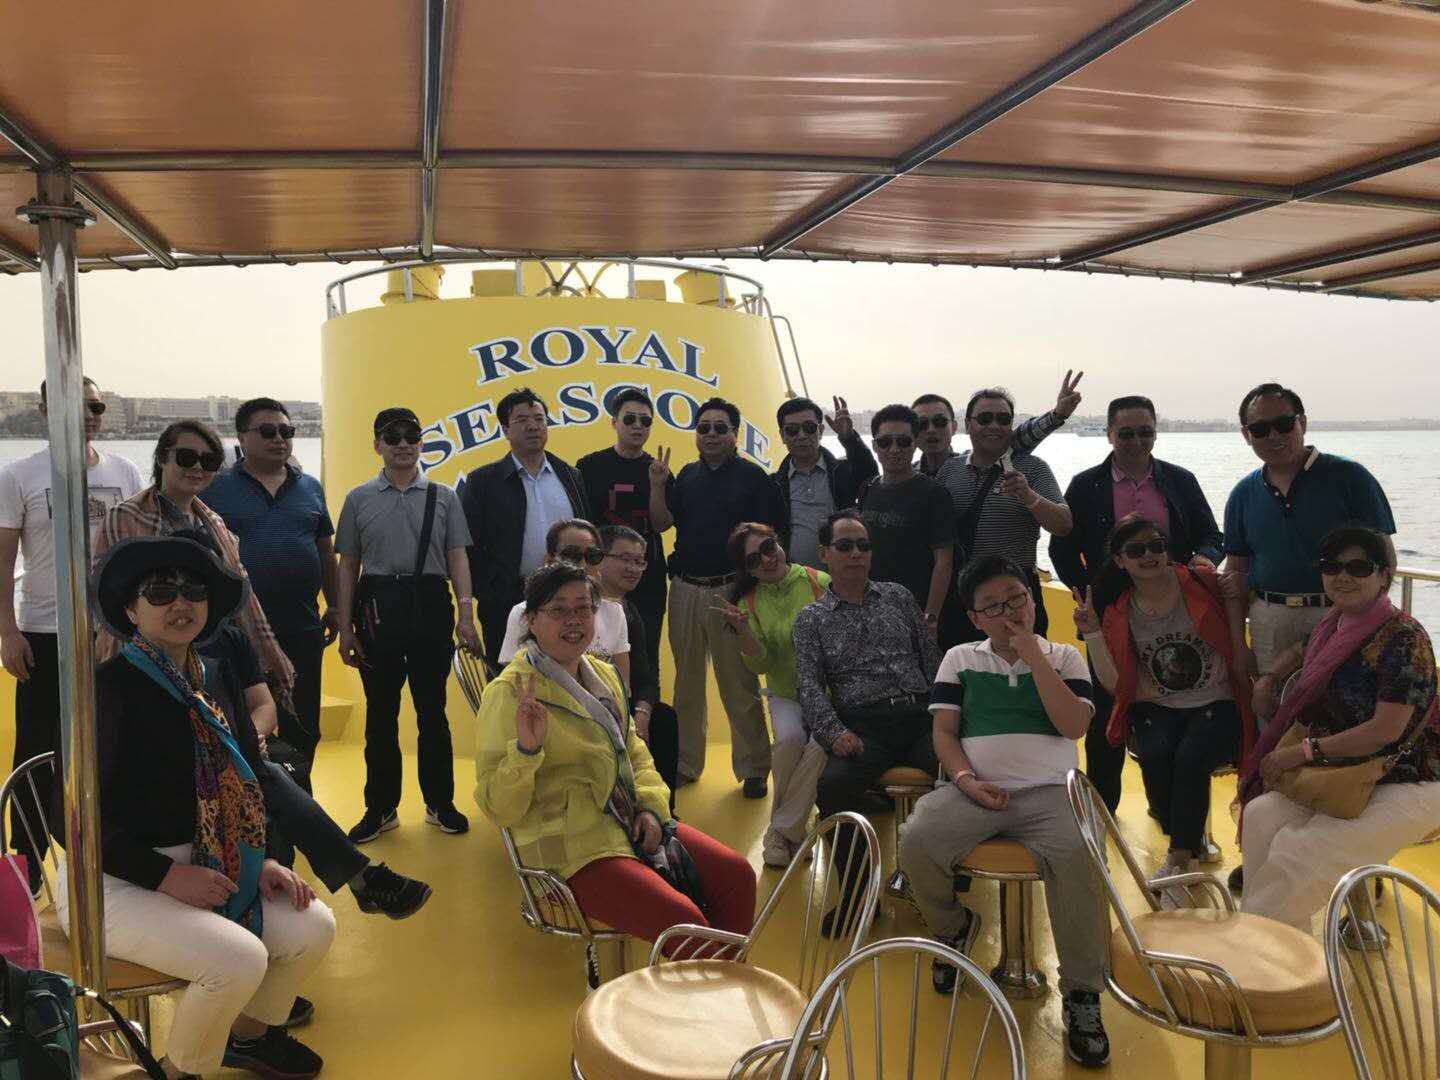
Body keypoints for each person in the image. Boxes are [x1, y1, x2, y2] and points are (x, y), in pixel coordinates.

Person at [72, 535, 334, 1079]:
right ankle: (177, 1071)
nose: (180, 603)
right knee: (237, 959)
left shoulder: (213, 679)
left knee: (313, 926)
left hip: (213, 865)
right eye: (160, 592)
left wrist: (260, 858)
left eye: (194, 590)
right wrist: (166, 875)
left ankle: (247, 1037)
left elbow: (244, 783)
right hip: (113, 880)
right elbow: (70, 819)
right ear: (130, 610)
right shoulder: (105, 690)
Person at [474, 562, 756, 956]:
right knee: (683, 923)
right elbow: (497, 806)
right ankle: (716, 986)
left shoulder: (604, 676)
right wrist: (526, 752)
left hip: (626, 822)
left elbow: (635, 752)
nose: (574, 620)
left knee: (737, 876)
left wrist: (652, 809)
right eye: (558, 610)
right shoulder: (509, 694)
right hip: (569, 851)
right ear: (531, 620)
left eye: (583, 608)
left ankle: (716, 982)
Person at [899, 554, 1110, 1068]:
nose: (1009, 612)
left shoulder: (1065, 657)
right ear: (975, 618)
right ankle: (953, 927)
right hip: (976, 790)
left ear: (1032, 600)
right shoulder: (959, 659)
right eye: (992, 606)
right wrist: (965, 780)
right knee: (916, 838)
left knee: (1084, 855)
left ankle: (1082, 991)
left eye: (1016, 598)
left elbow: (1074, 727)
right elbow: (944, 733)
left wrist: (1035, 658)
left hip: (1052, 792)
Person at [1235, 526, 1440, 932]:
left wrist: (1300, 752)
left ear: (1384, 575)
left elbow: (1385, 730)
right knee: (1259, 816)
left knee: (1296, 855)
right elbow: (1302, 649)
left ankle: (1263, 949)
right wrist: (1269, 679)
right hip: (1348, 770)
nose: (1343, 576)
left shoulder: (1403, 637)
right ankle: (1285, 950)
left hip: (1409, 776)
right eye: (1332, 566)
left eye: (1359, 567)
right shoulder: (1333, 626)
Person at [0, 377, 143, 885]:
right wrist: (8, 632)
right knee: (39, 749)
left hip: (115, 633)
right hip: (45, 631)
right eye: (75, 405)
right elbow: (4, 561)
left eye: (96, 407)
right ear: (45, 410)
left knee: (118, 744)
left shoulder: (124, 472)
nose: (88, 415)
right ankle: (27, 865)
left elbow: (136, 552)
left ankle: (118, 859)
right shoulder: (19, 475)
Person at [1050, 395, 1223, 813]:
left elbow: (1211, 536)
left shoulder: (1180, 481)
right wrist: (1087, 593)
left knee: (1168, 709)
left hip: (1175, 614)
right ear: (1109, 435)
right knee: (1107, 712)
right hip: (1109, 615)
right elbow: (1061, 548)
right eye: (1125, 433)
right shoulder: (1085, 486)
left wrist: (1203, 560)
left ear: (1155, 433)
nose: (1135, 441)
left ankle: (1167, 807)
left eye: (1145, 432)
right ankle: (1102, 810)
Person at [1072, 515, 1256, 896]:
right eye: (1136, 550)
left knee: (1190, 756)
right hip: (1156, 705)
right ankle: (1184, 843)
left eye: (1156, 546)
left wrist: (1239, 616)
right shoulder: (1120, 609)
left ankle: (1180, 858)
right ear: (1120, 560)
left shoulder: (1201, 583)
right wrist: (1091, 631)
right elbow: (1114, 683)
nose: (1149, 555)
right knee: (1155, 756)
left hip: (1215, 700)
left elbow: (1238, 603)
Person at [335, 407, 479, 843]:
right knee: (380, 715)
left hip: (430, 605)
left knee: (432, 711)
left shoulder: (444, 496)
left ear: (420, 442)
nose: (402, 444)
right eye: (392, 436)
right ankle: (380, 808)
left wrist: (466, 613)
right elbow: (348, 565)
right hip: (377, 609)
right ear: (377, 444)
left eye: (410, 436)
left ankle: (440, 803)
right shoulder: (358, 499)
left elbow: (457, 556)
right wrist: (346, 627)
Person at [792, 511, 940, 929]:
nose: (856, 553)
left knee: (960, 773)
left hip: (918, 716)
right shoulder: (811, 620)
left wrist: (948, 716)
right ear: (824, 553)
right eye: (845, 546)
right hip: (863, 727)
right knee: (833, 787)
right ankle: (859, 898)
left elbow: (931, 661)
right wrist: (834, 733)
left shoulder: (899, 597)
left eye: (863, 545)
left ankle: (943, 885)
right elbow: (809, 687)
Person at [91, 420, 296, 696]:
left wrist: (270, 655)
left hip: (209, 657)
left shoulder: (215, 524)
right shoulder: (126, 517)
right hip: (146, 660)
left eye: (209, 461)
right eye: (186, 457)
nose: (198, 467)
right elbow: (107, 596)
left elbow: (242, 595)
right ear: (162, 458)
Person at [649, 396, 784, 792]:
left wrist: (755, 590)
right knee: (687, 685)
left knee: (739, 683)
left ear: (734, 434)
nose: (710, 434)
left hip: (731, 589)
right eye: (704, 427)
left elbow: (770, 538)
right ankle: (685, 763)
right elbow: (661, 523)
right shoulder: (686, 476)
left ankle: (754, 768)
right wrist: (657, 485)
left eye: (720, 428)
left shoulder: (754, 478)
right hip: (685, 588)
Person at [204, 397, 341, 784]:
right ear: (242, 438)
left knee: (304, 726)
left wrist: (334, 606)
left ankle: (300, 803)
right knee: (243, 726)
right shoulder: (216, 489)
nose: (279, 439)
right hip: (237, 632)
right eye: (267, 431)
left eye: (286, 431)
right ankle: (254, 809)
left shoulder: (310, 487)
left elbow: (325, 551)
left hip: (302, 628)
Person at [1223, 382, 1395, 684]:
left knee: (1344, 702)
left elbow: (1385, 559)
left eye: (1284, 424)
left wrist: (1364, 619)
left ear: (1302, 422)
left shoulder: (1351, 478)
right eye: (1260, 429)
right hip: (1269, 621)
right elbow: (1234, 575)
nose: (1273, 435)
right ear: (1246, 435)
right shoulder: (1242, 494)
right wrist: (1238, 646)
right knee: (1271, 702)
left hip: (1341, 616)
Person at [713, 523, 829, 868]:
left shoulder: (818, 582)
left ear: (778, 543)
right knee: (790, 741)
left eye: (767, 547)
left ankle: (780, 832)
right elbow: (760, 663)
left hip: (830, 694)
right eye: (753, 559)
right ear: (746, 570)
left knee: (821, 743)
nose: (766, 559)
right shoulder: (749, 601)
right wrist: (744, 631)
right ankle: (793, 830)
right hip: (785, 692)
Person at [461, 387, 591, 668]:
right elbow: (468, 547)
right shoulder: (483, 481)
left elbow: (588, 535)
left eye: (539, 419)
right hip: (507, 603)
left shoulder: (570, 475)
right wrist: (490, 593)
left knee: (569, 678)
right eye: (521, 420)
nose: (533, 426)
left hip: (567, 599)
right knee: (510, 681)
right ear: (505, 430)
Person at [936, 387, 1072, 646]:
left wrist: (1029, 496)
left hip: (1016, 595)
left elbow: (1064, 525)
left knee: (1028, 664)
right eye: (985, 419)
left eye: (1003, 419)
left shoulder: (1033, 468)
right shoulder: (949, 471)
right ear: (968, 425)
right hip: (964, 596)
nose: (994, 426)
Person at [577, 388, 670, 680]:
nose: (638, 426)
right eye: (630, 419)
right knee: (595, 654)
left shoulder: (659, 469)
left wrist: (657, 485)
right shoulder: (589, 467)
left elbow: (662, 524)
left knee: (646, 656)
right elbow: (582, 525)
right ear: (614, 422)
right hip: (600, 579)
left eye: (645, 421)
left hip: (646, 576)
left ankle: (643, 708)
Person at [597, 525, 681, 803]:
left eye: (639, 562)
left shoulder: (633, 611)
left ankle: (661, 812)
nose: (633, 569)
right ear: (599, 557)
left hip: (624, 703)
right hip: (589, 703)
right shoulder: (581, 606)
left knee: (663, 719)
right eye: (625, 559)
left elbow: (645, 678)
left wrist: (642, 713)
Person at [497, 519, 631, 691]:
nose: (583, 564)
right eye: (571, 555)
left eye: (592, 556)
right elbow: (513, 683)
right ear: (549, 560)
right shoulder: (524, 612)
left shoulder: (614, 613)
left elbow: (622, 686)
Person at [857, 403, 956, 631]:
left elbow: (944, 562)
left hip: (915, 611)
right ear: (874, 446)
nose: (894, 449)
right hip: (872, 609)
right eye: (885, 442)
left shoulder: (934, 493)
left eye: (903, 442)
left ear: (915, 443)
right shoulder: (868, 488)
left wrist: (930, 619)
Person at [911, 370, 1082, 478]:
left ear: (955, 427)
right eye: (922, 424)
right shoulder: (906, 476)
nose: (931, 430)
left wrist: (1057, 415)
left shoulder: (975, 465)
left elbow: (1016, 438)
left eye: (939, 422)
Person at [771, 395, 877, 569]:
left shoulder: (842, 471)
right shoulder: (774, 484)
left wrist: (849, 438)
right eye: (792, 430)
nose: (801, 436)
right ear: (782, 435)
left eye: (809, 428)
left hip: (844, 574)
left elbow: (869, 473)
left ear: (820, 430)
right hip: (795, 578)